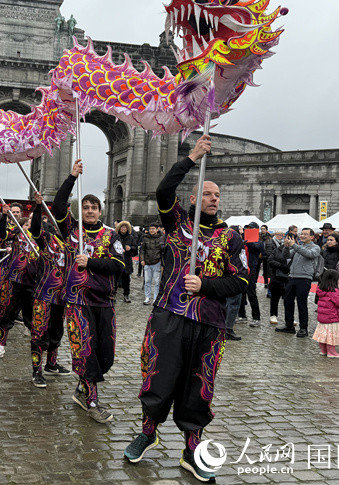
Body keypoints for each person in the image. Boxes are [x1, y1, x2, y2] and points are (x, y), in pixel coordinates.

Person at [124, 134, 248, 483]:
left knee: (200, 385)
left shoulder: (231, 237)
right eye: (208, 194)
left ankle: (192, 446)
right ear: (194, 198)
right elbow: (164, 191)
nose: (214, 199)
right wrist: (192, 157)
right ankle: (148, 431)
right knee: (159, 376)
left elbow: (241, 281)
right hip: (169, 315)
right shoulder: (177, 224)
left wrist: (205, 285)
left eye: (218, 195)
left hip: (209, 324)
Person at [52, 159, 124, 424]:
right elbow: (58, 206)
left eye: (94, 207)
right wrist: (71, 177)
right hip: (77, 301)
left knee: (105, 354)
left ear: (100, 211)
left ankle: (83, 388)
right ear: (80, 211)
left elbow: (118, 265)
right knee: (85, 350)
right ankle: (91, 399)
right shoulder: (72, 231)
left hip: (104, 301)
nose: (90, 211)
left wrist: (90, 262)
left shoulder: (111, 235)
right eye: (86, 207)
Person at [29, 192, 71, 388]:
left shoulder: (74, 244)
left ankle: (51, 364)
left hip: (62, 298)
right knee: (39, 333)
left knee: (57, 332)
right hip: (44, 295)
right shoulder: (47, 239)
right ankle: (36, 370)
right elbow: (35, 229)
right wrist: (38, 207)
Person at [0, 206, 38, 359]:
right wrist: (3, 216)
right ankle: (0, 344)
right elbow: (2, 234)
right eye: (29, 220)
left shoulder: (41, 238)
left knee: (31, 317)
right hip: (15, 280)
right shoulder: (17, 234)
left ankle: (37, 351)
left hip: (32, 283)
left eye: (33, 219)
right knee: (8, 314)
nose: (30, 222)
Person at [275, 228, 320, 337]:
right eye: (302, 234)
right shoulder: (299, 246)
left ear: (312, 237)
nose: (303, 236)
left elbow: (309, 254)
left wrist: (294, 245)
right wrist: (286, 246)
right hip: (292, 277)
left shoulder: (315, 247)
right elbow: (287, 256)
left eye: (305, 234)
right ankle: (289, 325)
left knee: (302, 303)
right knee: (288, 302)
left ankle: (303, 328)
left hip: (304, 278)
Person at [312, 269, 339, 358]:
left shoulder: (322, 290)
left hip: (323, 318)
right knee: (331, 336)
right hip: (332, 318)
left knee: (324, 335)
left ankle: (323, 350)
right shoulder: (334, 291)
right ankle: (331, 352)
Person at [241, 222, 264, 327]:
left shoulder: (258, 242)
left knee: (251, 293)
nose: (248, 230)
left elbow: (253, 246)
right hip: (242, 268)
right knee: (241, 292)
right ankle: (242, 315)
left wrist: (245, 237)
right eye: (247, 228)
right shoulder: (243, 240)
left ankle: (256, 317)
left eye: (251, 229)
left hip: (252, 269)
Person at [266, 230, 289, 325]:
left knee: (289, 300)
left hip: (289, 278)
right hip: (277, 277)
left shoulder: (296, 251)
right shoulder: (277, 250)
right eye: (287, 238)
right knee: (275, 298)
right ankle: (273, 315)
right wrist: (280, 265)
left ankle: (289, 317)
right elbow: (270, 260)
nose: (287, 241)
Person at [116, 221, 138, 303]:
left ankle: (126, 295)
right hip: (117, 259)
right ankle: (113, 294)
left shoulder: (130, 237)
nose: (123, 229)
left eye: (125, 227)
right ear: (119, 228)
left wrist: (130, 248)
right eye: (122, 227)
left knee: (126, 279)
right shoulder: (115, 236)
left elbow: (135, 247)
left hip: (127, 260)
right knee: (116, 279)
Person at [140, 223, 162, 305]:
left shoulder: (161, 238)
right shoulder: (145, 238)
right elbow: (142, 250)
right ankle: (147, 297)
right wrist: (142, 259)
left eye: (153, 229)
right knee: (147, 281)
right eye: (150, 229)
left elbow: (162, 251)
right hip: (147, 262)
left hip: (157, 262)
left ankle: (156, 298)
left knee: (157, 282)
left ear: (157, 229)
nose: (151, 230)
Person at [260, 224, 272, 291]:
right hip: (260, 255)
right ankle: (265, 281)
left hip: (266, 255)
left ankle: (267, 282)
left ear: (266, 230)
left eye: (264, 229)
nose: (262, 230)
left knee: (267, 269)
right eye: (261, 229)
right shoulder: (259, 236)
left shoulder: (269, 237)